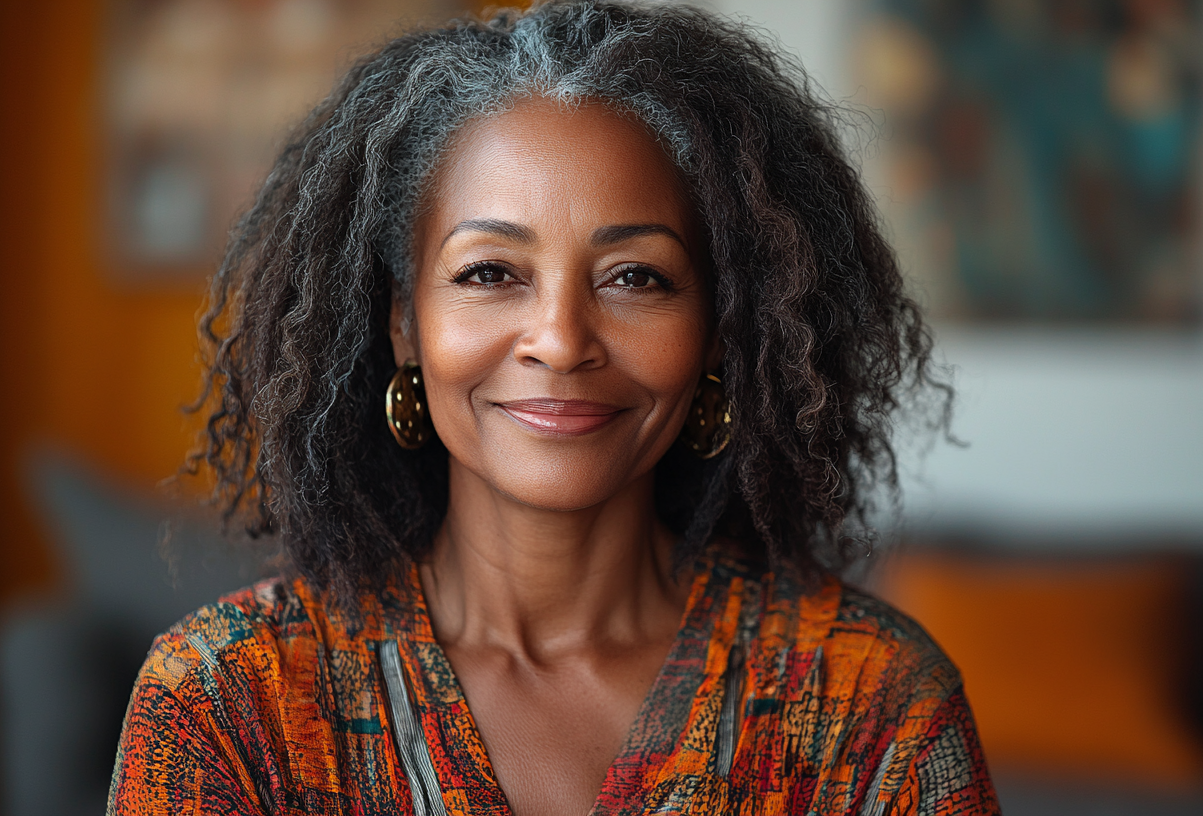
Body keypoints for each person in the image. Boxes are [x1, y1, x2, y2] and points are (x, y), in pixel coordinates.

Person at [108, 2, 998, 814]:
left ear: (723, 331)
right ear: (405, 327)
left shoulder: (870, 706)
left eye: (635, 277)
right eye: (490, 273)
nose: (562, 339)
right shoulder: (229, 702)